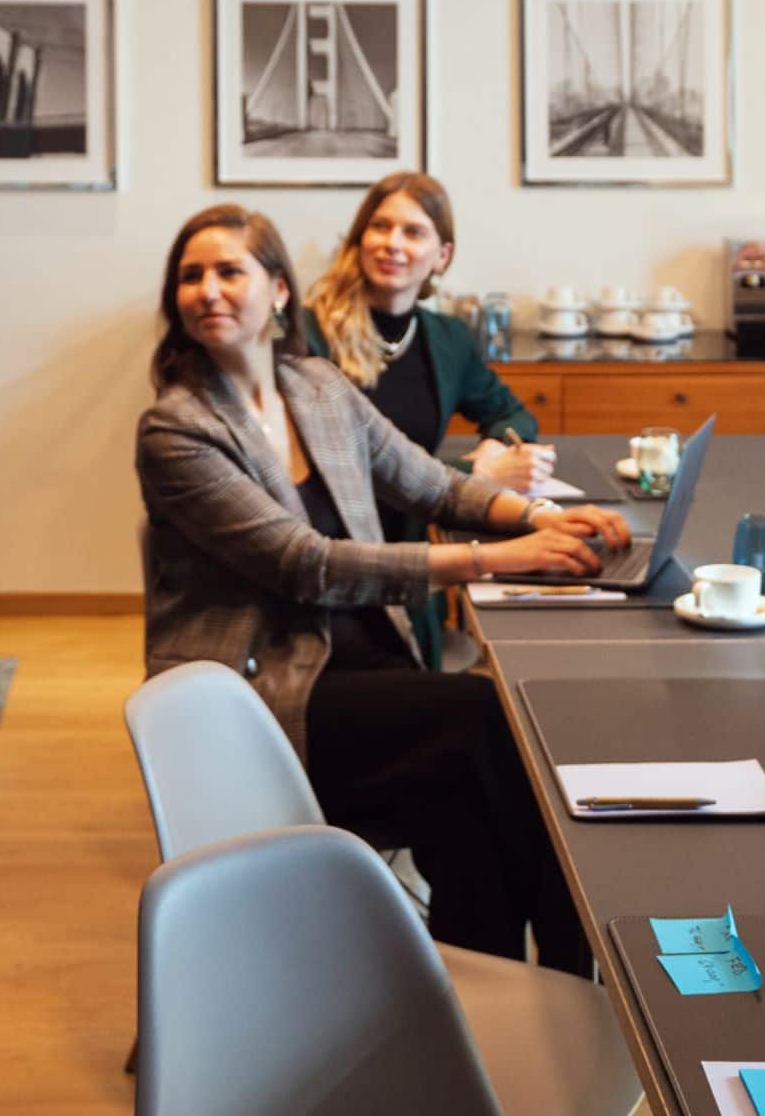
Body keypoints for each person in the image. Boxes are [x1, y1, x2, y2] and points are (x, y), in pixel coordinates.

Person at [135, 203, 628, 971]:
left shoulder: (317, 386)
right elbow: (308, 563)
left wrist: (546, 514)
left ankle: (487, 1001)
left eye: (228, 271)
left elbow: (428, 482)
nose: (206, 290)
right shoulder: (177, 429)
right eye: (189, 277)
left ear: (278, 291)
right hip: (258, 695)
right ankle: (571, 974)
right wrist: (499, 559)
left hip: (358, 669)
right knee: (490, 722)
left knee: (476, 807)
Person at [300, 171, 551, 662]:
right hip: (333, 566)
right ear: (359, 240)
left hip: (417, 566)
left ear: (442, 257)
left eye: (413, 232)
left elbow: (510, 412)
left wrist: (498, 446)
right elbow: (331, 473)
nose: (392, 244)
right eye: (380, 227)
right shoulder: (310, 338)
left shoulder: (448, 339)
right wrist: (472, 474)